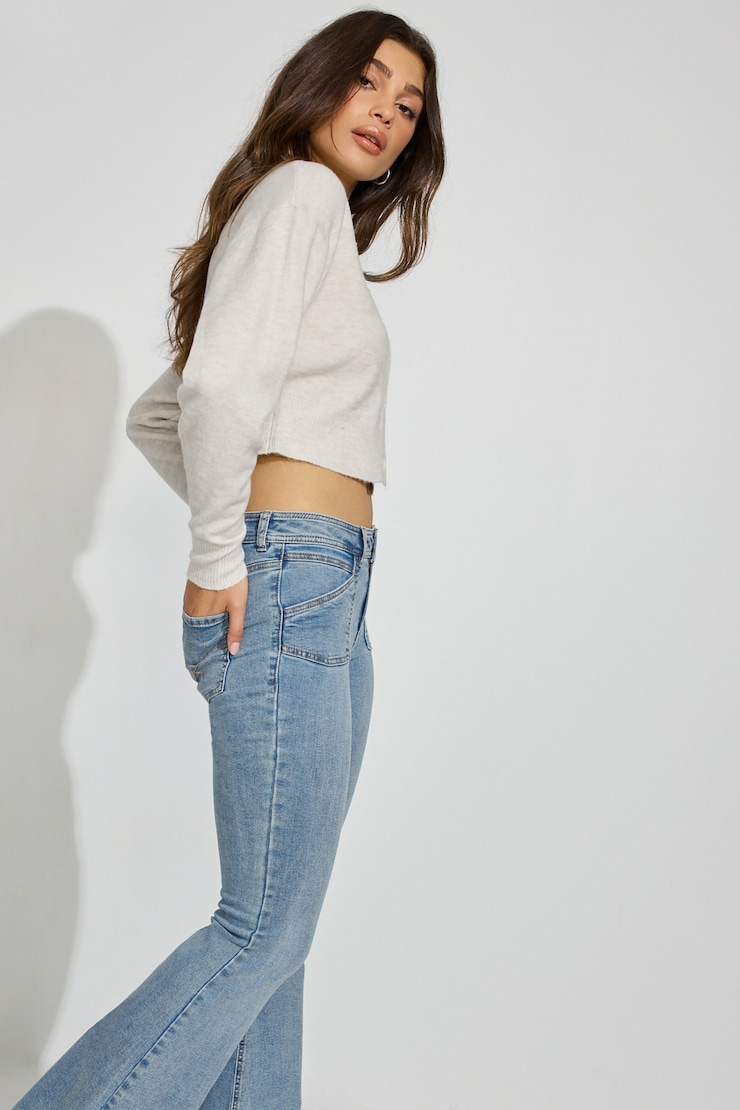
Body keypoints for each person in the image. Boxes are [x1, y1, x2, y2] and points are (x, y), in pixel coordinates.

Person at [15, 10, 444, 1109]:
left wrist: (251, 526)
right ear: (319, 83)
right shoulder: (299, 195)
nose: (388, 114)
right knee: (260, 931)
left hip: (325, 587)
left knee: (278, 942)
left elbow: (160, 414)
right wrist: (229, 545)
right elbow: (206, 397)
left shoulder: (301, 225)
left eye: (408, 106)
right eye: (370, 82)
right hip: (296, 582)